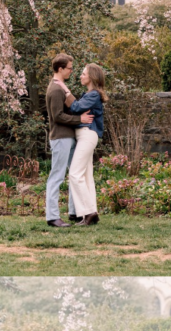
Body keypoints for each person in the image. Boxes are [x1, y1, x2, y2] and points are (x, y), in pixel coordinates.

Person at [45, 53, 93, 228]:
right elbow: (57, 116)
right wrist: (80, 120)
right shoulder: (56, 89)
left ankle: (75, 212)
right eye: (69, 68)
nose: (72, 71)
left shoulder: (61, 86)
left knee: (74, 174)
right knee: (56, 176)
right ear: (60, 69)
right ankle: (52, 216)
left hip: (69, 137)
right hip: (60, 138)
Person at [62, 62, 107, 226]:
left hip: (88, 135)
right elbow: (77, 108)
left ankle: (89, 213)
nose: (80, 76)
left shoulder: (94, 95)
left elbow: (75, 107)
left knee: (75, 173)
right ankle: (91, 213)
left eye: (83, 73)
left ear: (92, 77)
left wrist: (65, 90)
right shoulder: (89, 94)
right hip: (85, 135)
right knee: (86, 176)